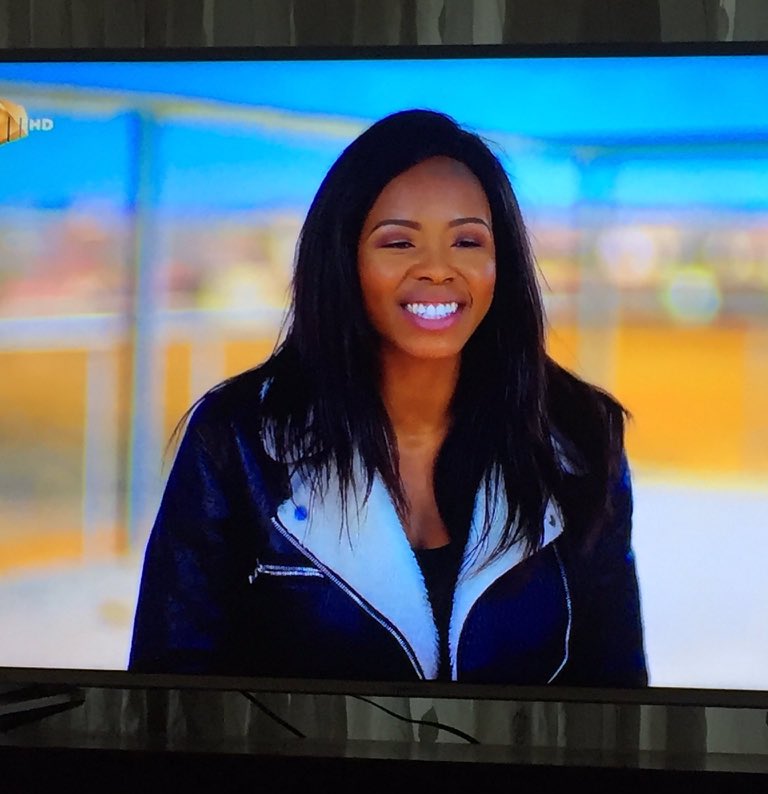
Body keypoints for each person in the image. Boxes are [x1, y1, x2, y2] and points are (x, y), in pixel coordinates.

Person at [129, 109, 647, 687]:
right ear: (343, 258)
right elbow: (166, 696)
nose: (437, 270)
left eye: (467, 240)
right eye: (399, 242)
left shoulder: (580, 437)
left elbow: (619, 695)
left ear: (501, 262)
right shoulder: (237, 442)